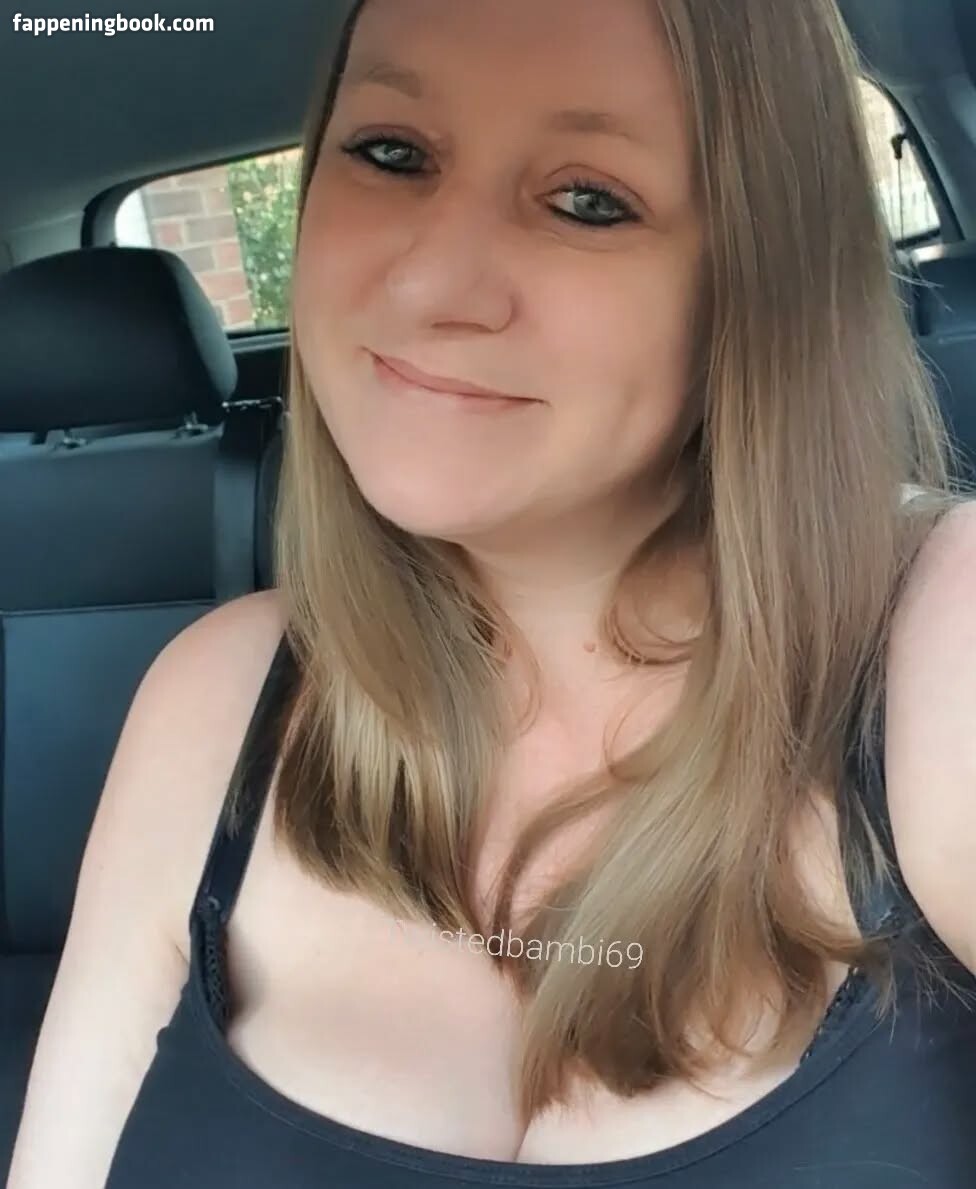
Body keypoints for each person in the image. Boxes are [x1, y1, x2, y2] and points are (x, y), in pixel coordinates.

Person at [9, 0, 976, 1185]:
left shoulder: (943, 643)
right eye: (390, 152)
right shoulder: (214, 699)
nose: (429, 283)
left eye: (587, 201)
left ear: (759, 277)